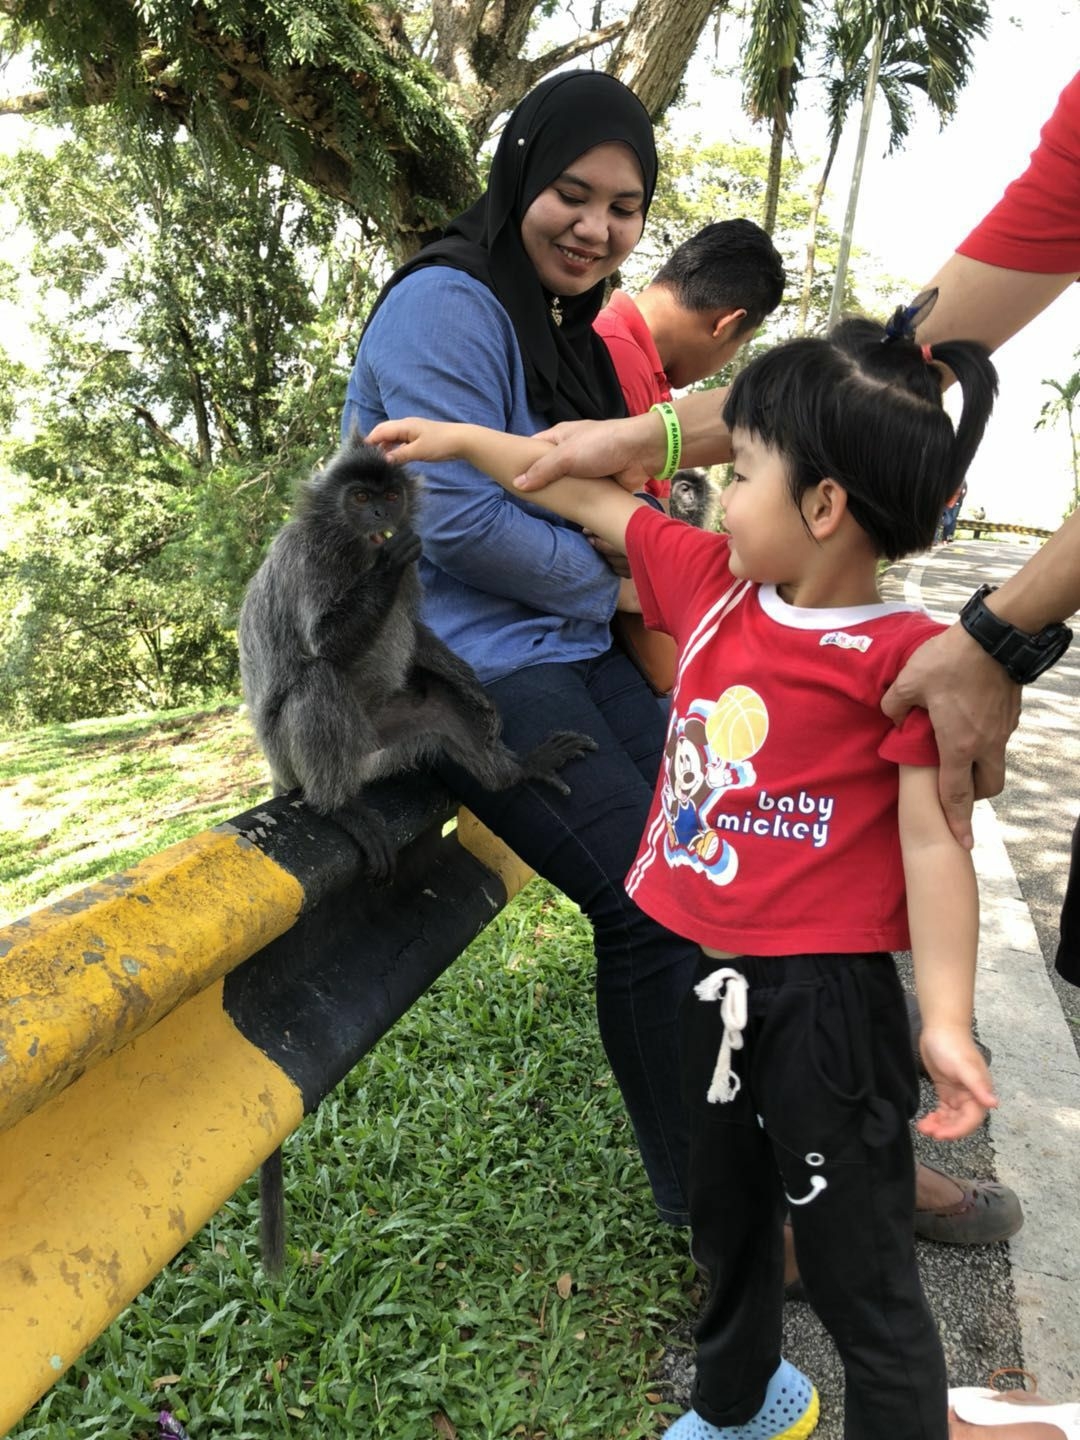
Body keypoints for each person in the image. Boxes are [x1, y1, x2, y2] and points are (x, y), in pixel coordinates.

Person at [369, 301, 1000, 1440]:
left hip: (826, 1011)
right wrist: (465, 443)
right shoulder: (713, 588)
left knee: (858, 1266)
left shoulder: (904, 660)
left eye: (740, 472)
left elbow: (932, 841)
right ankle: (739, 1407)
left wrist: (945, 1017)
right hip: (708, 993)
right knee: (733, 1225)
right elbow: (577, 489)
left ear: (823, 505)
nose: (715, 495)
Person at [341, 69, 702, 1227]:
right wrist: (618, 576)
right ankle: (722, 1218)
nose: (597, 226)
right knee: (647, 908)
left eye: (626, 205)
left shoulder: (568, 332)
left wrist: (621, 564)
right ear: (518, 178)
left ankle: (811, 1157)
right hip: (455, 670)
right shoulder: (450, 303)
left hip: (557, 645)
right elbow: (458, 522)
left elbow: (615, 487)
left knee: (713, 868)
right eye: (571, 192)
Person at [594, 218, 785, 499]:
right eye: (740, 344)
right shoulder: (618, 359)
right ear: (726, 324)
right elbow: (622, 526)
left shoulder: (640, 365)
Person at [938, 479, 968, 544]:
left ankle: (948, 538)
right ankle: (945, 538)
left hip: (957, 503)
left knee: (952, 521)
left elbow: (966, 489)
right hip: (950, 502)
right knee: (949, 520)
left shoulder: (963, 480)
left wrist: (961, 497)